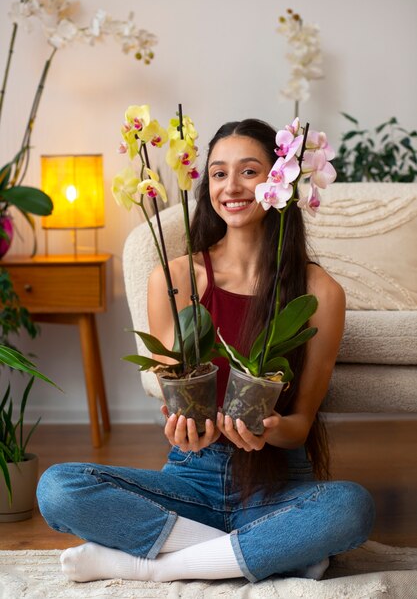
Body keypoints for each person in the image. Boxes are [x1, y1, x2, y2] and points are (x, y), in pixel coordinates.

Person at [37, 118, 375, 584]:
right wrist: (180, 431)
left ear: (283, 180)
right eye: (218, 173)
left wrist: (271, 429)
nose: (231, 187)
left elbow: (300, 427)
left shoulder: (320, 292)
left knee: (351, 507)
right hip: (190, 476)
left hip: (276, 484)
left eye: (250, 171)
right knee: (58, 488)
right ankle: (268, 552)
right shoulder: (174, 280)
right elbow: (175, 395)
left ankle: (152, 567)